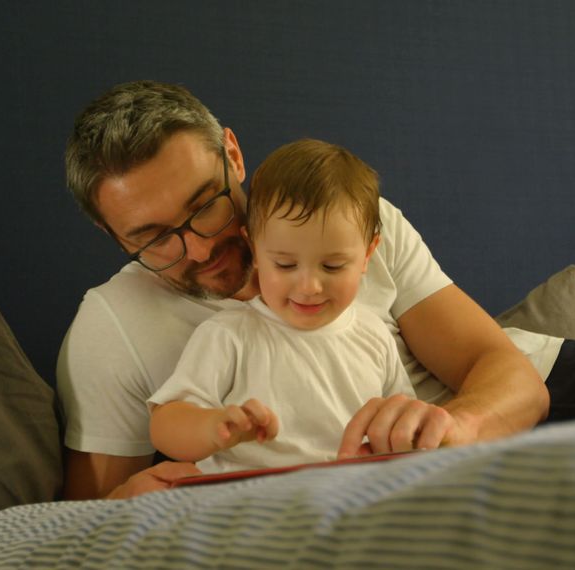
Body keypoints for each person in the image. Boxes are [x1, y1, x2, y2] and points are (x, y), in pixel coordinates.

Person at [59, 80, 575, 500]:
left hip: (531, 392)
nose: (200, 247)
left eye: (205, 206)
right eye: (154, 239)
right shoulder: (114, 325)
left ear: (232, 155)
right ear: (114, 240)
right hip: (389, 477)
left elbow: (510, 376)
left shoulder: (340, 220)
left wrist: (448, 429)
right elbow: (91, 510)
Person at [147, 139, 415, 473]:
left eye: (332, 267)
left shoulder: (374, 335)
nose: (309, 287)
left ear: (368, 254)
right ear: (255, 251)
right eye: (285, 265)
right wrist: (214, 428)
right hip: (259, 500)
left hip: (353, 494)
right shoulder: (229, 335)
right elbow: (164, 424)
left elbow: (404, 420)